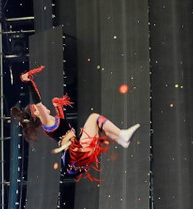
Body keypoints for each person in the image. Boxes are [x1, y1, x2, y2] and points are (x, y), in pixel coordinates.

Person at [10, 66, 140, 180]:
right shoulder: (46, 122)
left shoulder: (53, 122)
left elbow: (64, 123)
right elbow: (37, 100)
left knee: (98, 124)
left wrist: (57, 106)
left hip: (78, 152)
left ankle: (121, 139)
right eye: (39, 108)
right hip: (76, 154)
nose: (43, 106)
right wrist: (28, 82)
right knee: (94, 117)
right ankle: (122, 136)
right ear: (37, 113)